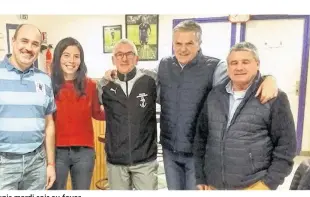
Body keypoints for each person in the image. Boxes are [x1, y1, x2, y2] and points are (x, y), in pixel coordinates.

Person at [103, 20, 278, 190]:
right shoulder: (164, 66)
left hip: (198, 153)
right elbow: (138, 76)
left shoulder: (215, 67)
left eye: (189, 43)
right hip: (170, 151)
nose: (183, 48)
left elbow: (241, 76)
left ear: (199, 43)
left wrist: (267, 78)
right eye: (178, 43)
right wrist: (115, 73)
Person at [194, 41, 297, 190]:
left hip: (254, 185)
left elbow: (286, 147)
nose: (239, 67)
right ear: (228, 67)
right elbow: (201, 138)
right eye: (234, 63)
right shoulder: (214, 95)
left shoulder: (274, 98)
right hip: (214, 185)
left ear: (257, 64)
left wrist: (268, 184)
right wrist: (201, 177)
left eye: (245, 62)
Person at [0, 24, 56, 190]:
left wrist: (50, 163)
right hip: (0, 165)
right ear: (13, 41)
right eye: (24, 41)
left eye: (35, 44)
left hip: (37, 163)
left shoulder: (44, 79)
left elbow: (49, 123)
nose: (29, 48)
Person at [98, 39, 158, 190]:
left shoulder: (150, 80)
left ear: (136, 58)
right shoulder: (104, 85)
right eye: (119, 54)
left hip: (145, 160)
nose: (124, 58)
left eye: (129, 54)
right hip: (116, 160)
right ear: (113, 59)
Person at [49, 37, 105, 190]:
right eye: (66, 55)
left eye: (76, 56)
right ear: (58, 57)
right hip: (56, 152)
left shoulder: (91, 85)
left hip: (84, 153)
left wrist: (118, 109)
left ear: (81, 60)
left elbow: (97, 113)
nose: (71, 60)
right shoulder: (48, 85)